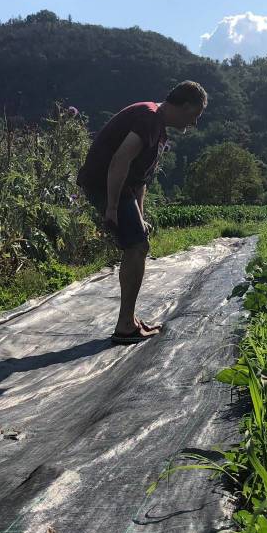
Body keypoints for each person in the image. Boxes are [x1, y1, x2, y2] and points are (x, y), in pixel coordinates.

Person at [77, 81, 207, 344]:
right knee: (136, 246)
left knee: (139, 243)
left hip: (122, 186)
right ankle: (125, 325)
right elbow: (120, 160)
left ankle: (129, 320)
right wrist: (112, 206)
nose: (194, 123)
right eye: (195, 115)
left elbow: (140, 179)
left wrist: (140, 215)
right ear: (184, 106)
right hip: (105, 183)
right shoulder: (149, 117)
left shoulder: (159, 130)